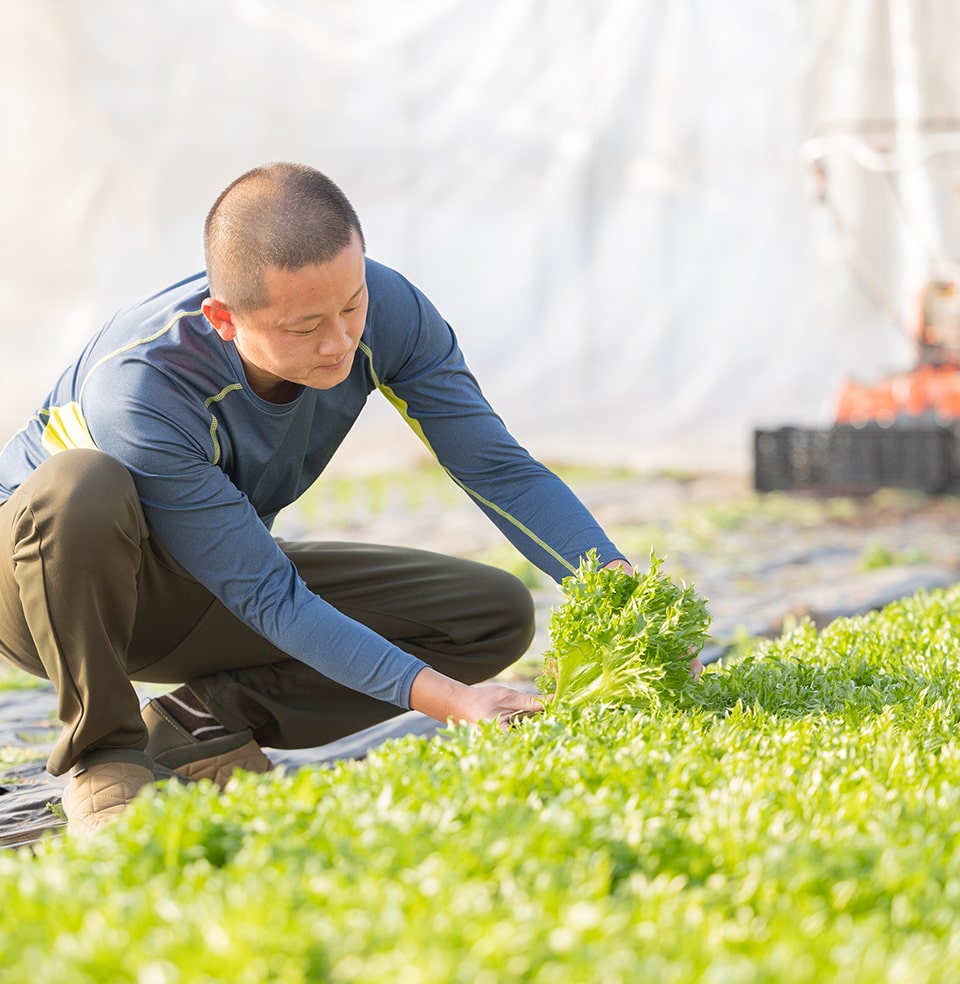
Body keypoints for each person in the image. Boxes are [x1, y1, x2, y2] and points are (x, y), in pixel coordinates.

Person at [0, 162, 701, 832]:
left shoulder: (389, 310)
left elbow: (499, 469)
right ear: (223, 320)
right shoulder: (144, 388)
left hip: (193, 583)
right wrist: (452, 703)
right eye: (304, 327)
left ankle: (198, 727)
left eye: (350, 304)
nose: (338, 343)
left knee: (489, 617)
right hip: (45, 593)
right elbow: (269, 595)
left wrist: (627, 596)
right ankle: (105, 759)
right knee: (80, 487)